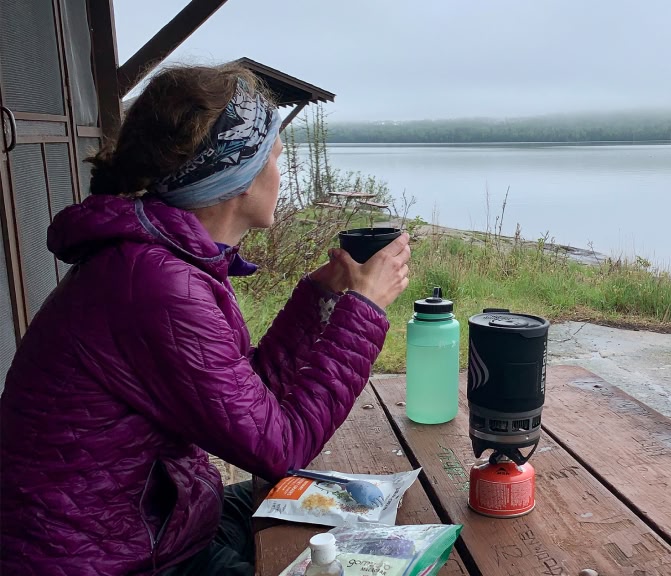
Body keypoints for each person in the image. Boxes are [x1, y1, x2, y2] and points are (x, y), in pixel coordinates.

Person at [0, 63, 410, 575]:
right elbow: (280, 446)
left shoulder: (156, 263)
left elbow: (246, 399)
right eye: (275, 158)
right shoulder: (152, 281)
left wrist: (319, 296)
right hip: (105, 560)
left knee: (361, 522)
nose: (281, 174)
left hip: (148, 526)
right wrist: (364, 312)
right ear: (237, 177)